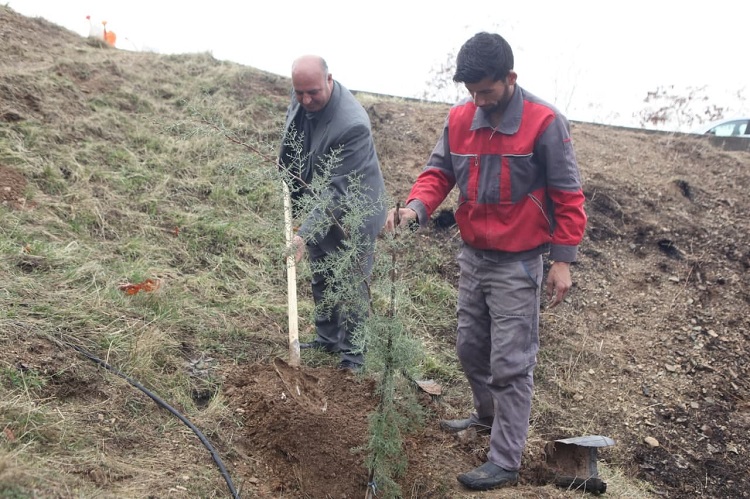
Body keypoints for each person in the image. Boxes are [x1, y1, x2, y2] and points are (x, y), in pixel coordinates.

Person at [384, 32, 587, 490]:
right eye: (471, 92)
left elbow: (568, 194)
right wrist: (415, 209)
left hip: (519, 262)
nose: (478, 101)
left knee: (511, 362)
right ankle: (487, 416)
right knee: (470, 348)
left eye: (487, 91)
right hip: (473, 255)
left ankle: (505, 459)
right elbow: (438, 173)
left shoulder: (545, 122)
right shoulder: (460, 119)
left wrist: (563, 259)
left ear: (510, 78)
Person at [278, 55, 387, 372]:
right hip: (321, 197)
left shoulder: (352, 125)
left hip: (356, 208)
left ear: (329, 80)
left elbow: (338, 194)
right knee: (322, 272)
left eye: (312, 92)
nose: (305, 100)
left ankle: (353, 357)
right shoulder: (303, 94)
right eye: (299, 93)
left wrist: (303, 234)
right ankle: (327, 339)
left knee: (352, 282)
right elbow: (294, 140)